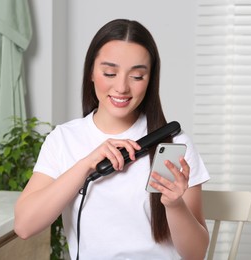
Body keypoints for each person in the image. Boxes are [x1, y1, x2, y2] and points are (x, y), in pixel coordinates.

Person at [14, 18, 210, 259]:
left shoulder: (173, 145)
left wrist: (174, 205)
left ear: (150, 81)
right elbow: (24, 226)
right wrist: (85, 165)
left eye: (137, 77)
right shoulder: (64, 139)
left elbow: (197, 254)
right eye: (109, 72)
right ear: (91, 73)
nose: (121, 87)